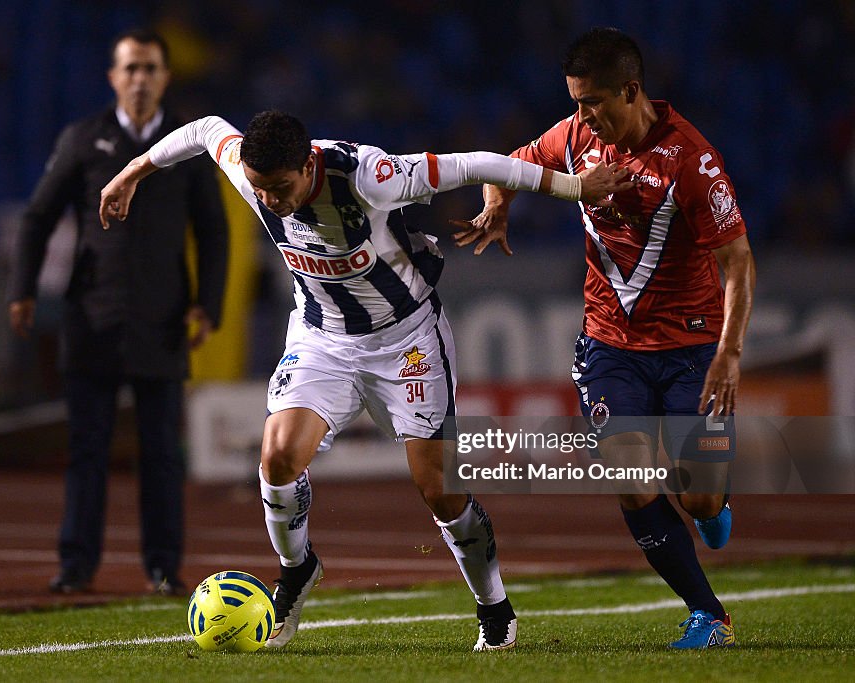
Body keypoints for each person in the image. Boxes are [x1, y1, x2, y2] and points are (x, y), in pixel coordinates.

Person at [99, 110, 631, 649]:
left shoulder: (371, 175)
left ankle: (493, 605)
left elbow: (475, 164)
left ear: (308, 166)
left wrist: (574, 186)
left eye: (282, 189)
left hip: (407, 342)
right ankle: (296, 569)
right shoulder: (249, 169)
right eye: (262, 191)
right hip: (322, 340)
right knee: (278, 456)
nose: (272, 202)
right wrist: (131, 173)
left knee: (439, 489)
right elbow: (205, 128)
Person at [455, 27, 755, 649]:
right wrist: (498, 202)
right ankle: (709, 613)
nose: (582, 115)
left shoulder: (692, 161)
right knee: (632, 478)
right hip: (609, 343)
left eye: (592, 101)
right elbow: (509, 166)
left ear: (631, 90)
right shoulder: (575, 139)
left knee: (698, 501)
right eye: (574, 101)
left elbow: (739, 262)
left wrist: (728, 354)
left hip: (693, 346)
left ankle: (711, 507)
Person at [7, 29, 228, 597]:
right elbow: (37, 217)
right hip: (92, 316)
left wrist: (210, 304)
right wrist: (22, 290)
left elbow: (213, 228)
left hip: (164, 318)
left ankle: (163, 568)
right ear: (113, 77)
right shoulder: (82, 139)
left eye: (150, 68)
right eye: (130, 68)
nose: (140, 79)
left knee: (160, 454)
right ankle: (76, 565)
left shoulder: (187, 147)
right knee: (87, 449)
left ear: (165, 77)